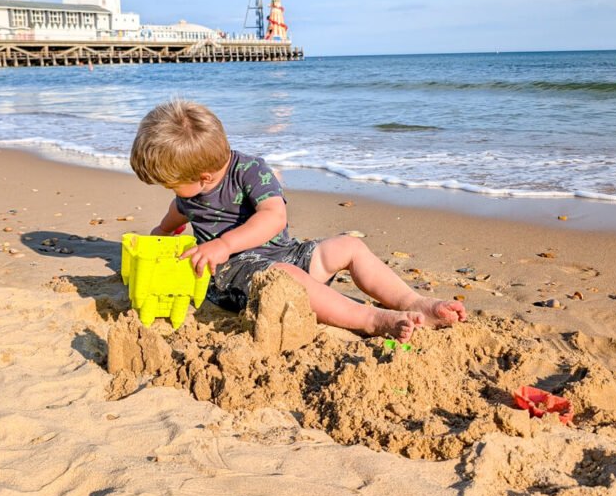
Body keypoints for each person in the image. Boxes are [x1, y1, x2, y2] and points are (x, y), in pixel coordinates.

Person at [129, 100, 466, 342]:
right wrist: (159, 238)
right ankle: (371, 319)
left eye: (172, 184)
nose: (172, 191)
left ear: (204, 177)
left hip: (283, 252)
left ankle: (413, 302)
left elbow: (274, 217)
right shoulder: (189, 196)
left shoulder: (249, 171)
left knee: (348, 246)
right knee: (285, 278)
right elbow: (171, 221)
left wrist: (223, 244)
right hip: (236, 278)